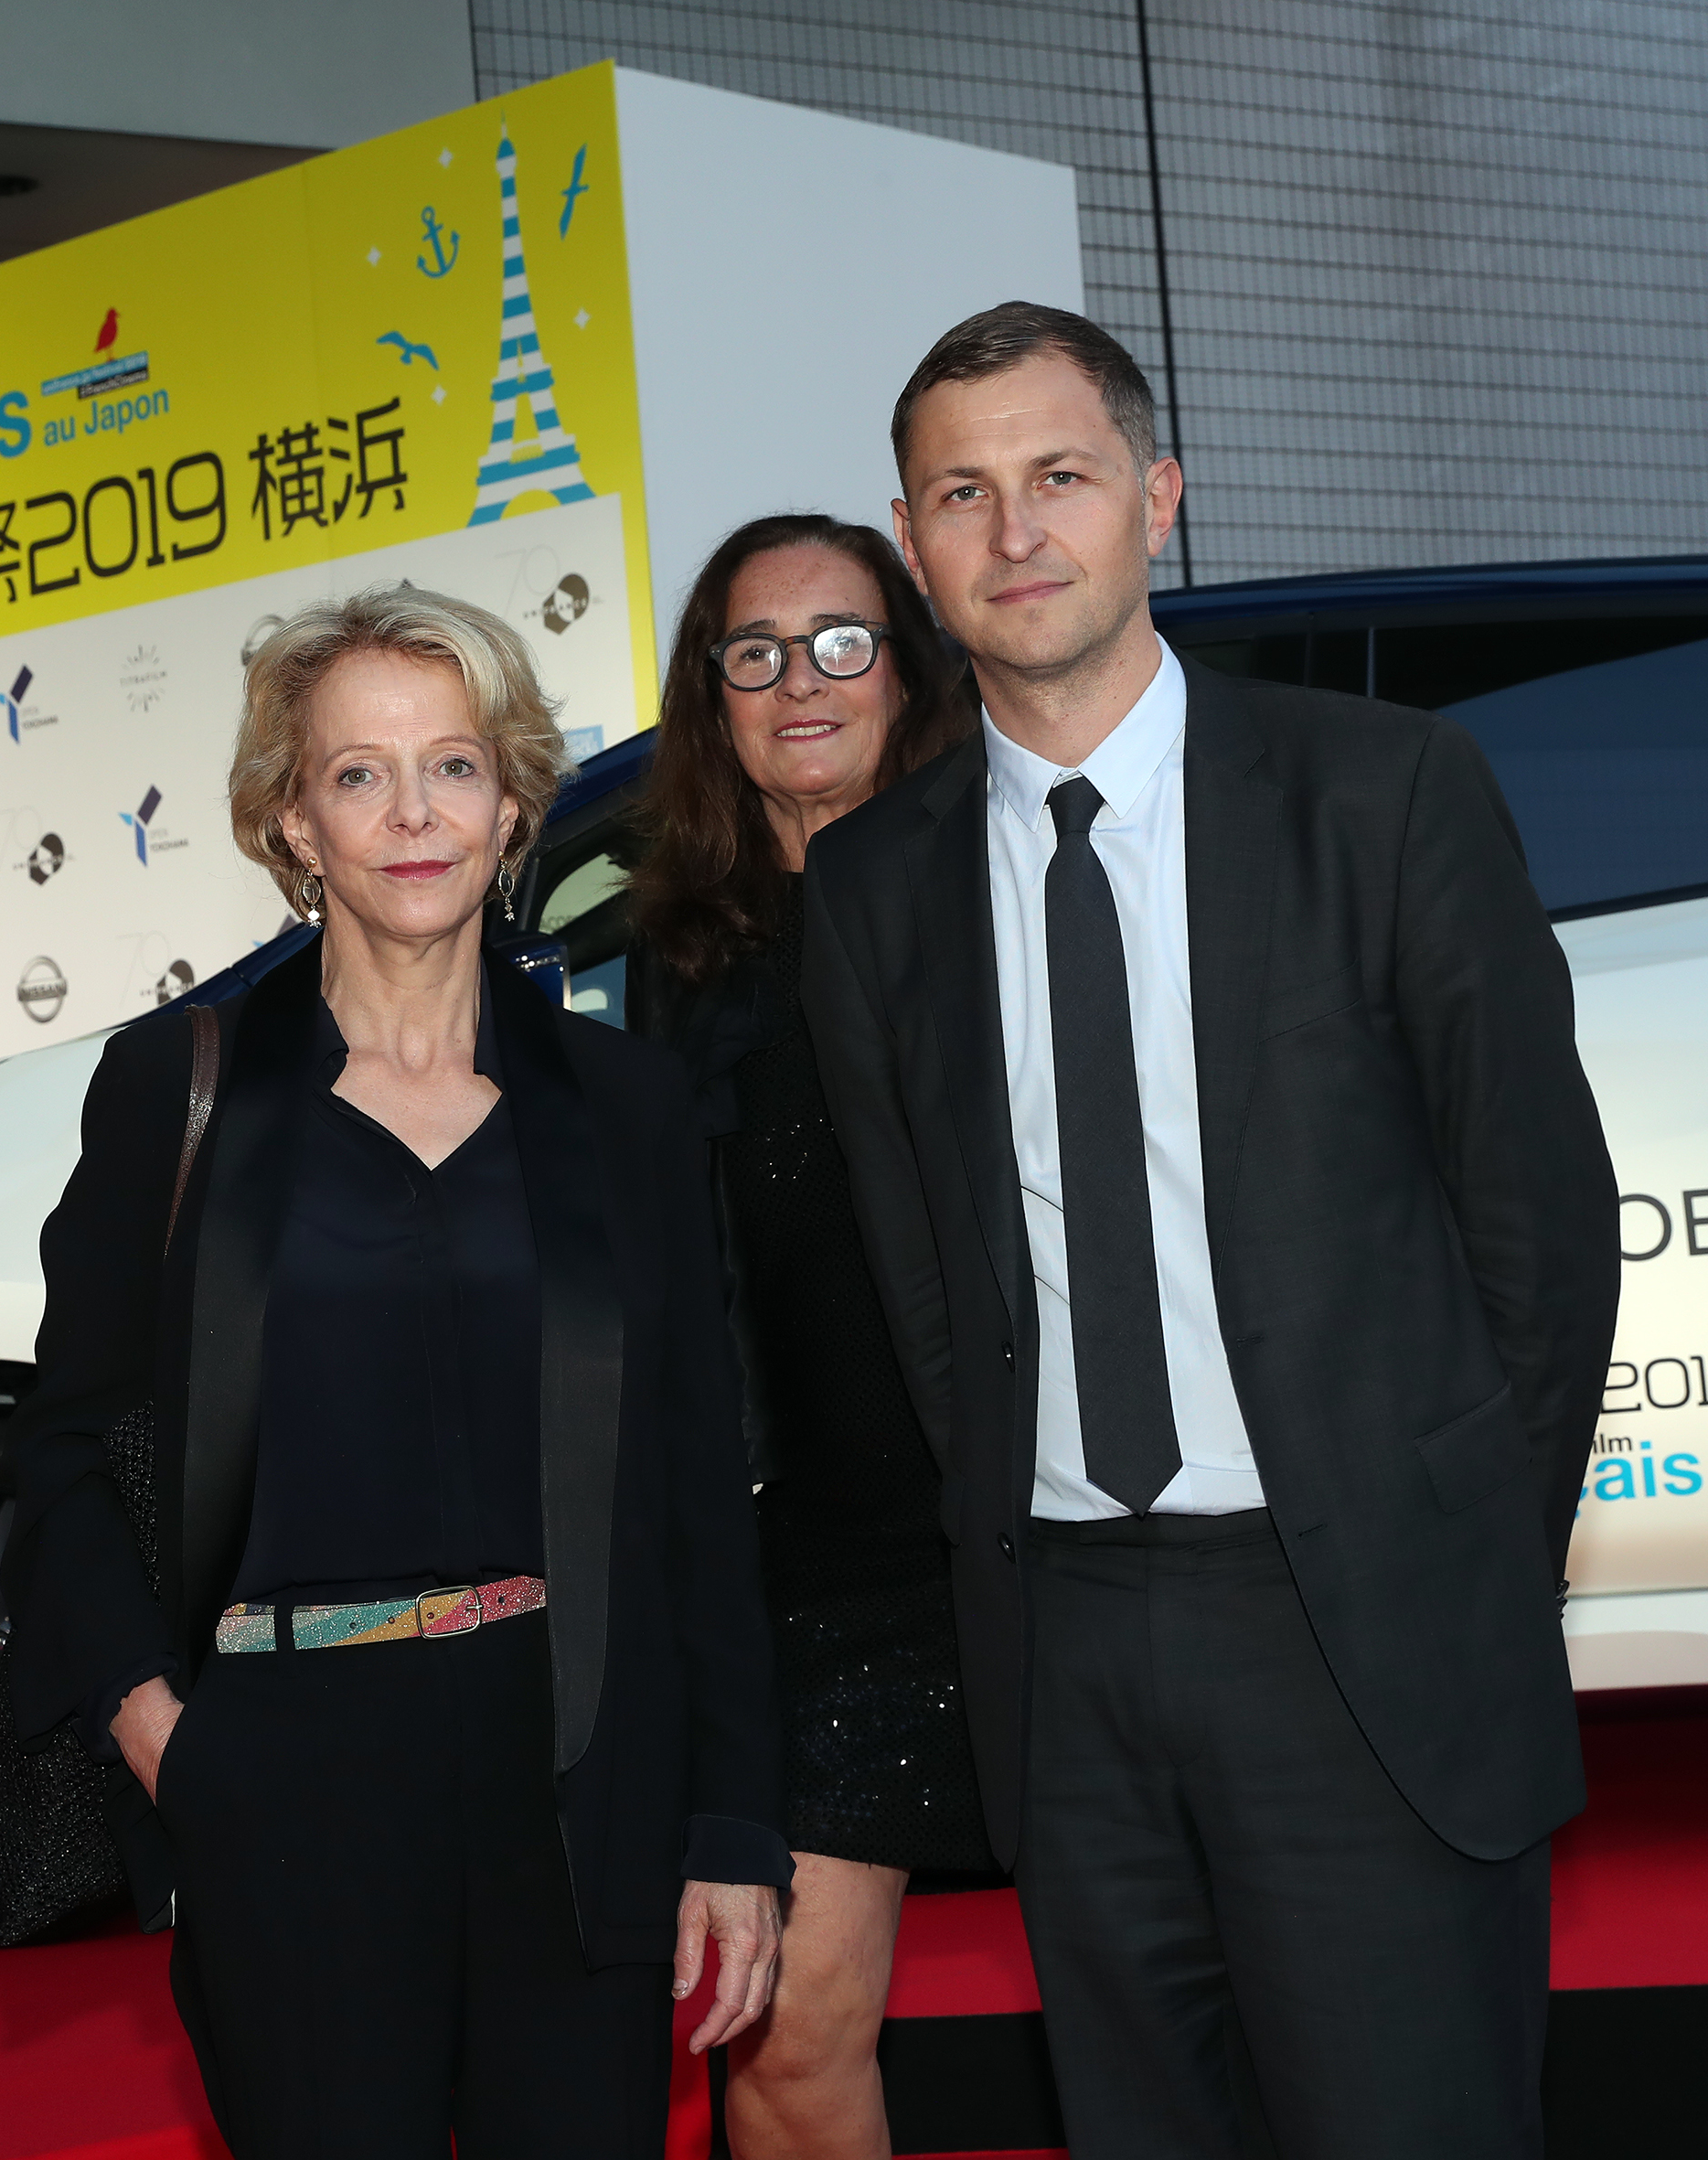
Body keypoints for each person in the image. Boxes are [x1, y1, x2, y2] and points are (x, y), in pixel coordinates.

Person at [802, 303, 1621, 2157]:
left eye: (1059, 476)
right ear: (916, 543)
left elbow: (1541, 1233)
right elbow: (928, 1283)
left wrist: (1464, 1562)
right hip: (1068, 1653)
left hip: (1354, 1635)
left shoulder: (1383, 794)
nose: (1015, 531)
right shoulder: (870, 887)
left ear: (1156, 497)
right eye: (962, 493)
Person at [1, 587, 792, 2159]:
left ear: (511, 803)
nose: (411, 813)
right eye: (357, 774)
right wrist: (167, 1732)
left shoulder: (621, 1101)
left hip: (576, 1768)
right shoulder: (181, 1090)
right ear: (290, 820)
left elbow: (700, 1483)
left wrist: (729, 1824)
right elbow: (67, 1447)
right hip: (285, 1772)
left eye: (452, 766)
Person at [625, 515, 973, 2158]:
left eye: (840, 640)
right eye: (752, 652)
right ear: (715, 699)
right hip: (813, 1585)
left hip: (1047, 1543)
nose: (798, 680)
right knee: (776, 2028)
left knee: (1196, 2001)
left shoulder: (1012, 896)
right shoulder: (676, 957)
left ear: (904, 672)